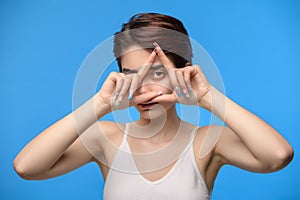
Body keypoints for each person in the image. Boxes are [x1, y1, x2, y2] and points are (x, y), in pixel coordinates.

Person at [13, 13, 294, 200]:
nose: (144, 90)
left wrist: (208, 97)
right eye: (132, 75)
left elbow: (278, 156)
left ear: (185, 71)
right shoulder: (106, 138)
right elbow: (26, 167)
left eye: (157, 73)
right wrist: (99, 104)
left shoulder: (207, 142)